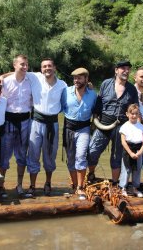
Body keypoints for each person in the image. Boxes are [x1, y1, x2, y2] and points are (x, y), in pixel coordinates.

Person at [87, 61, 139, 185]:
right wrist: (94, 120)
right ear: (116, 70)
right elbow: (98, 103)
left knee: (116, 157)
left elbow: (135, 109)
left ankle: (115, 183)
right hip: (103, 124)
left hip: (121, 127)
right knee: (92, 151)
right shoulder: (106, 84)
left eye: (128, 69)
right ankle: (91, 174)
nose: (126, 71)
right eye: (123, 69)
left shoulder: (132, 89)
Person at [25, 58, 67, 197]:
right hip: (36, 122)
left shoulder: (62, 85)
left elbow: (69, 100)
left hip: (52, 124)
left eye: (49, 66)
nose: (47, 68)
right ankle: (32, 185)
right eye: (44, 66)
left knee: (50, 155)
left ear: (54, 67)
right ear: (41, 69)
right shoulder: (35, 77)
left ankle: (48, 183)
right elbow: (18, 72)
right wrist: (2, 76)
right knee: (33, 154)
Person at [61, 67, 97, 200]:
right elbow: (58, 106)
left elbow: (96, 111)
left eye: (79, 78)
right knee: (70, 159)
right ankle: (75, 185)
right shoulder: (66, 92)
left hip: (84, 129)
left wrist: (95, 125)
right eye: (75, 78)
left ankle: (81, 187)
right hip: (68, 128)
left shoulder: (93, 94)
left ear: (86, 79)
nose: (76, 80)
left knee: (81, 156)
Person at [0, 54, 32, 197]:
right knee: (4, 155)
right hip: (8, 120)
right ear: (15, 65)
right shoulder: (5, 82)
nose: (24, 67)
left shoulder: (31, 80)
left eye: (26, 64)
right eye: (22, 64)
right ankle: (0, 186)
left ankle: (19, 186)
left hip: (25, 121)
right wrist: (2, 75)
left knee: (22, 155)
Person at [119, 104, 143, 198]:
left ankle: (135, 188)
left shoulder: (141, 126)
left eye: (136, 114)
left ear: (138, 114)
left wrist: (140, 151)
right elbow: (123, 142)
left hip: (138, 150)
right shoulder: (124, 127)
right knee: (126, 170)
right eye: (132, 113)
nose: (134, 116)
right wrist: (130, 153)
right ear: (127, 114)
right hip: (128, 151)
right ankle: (123, 188)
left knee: (137, 169)